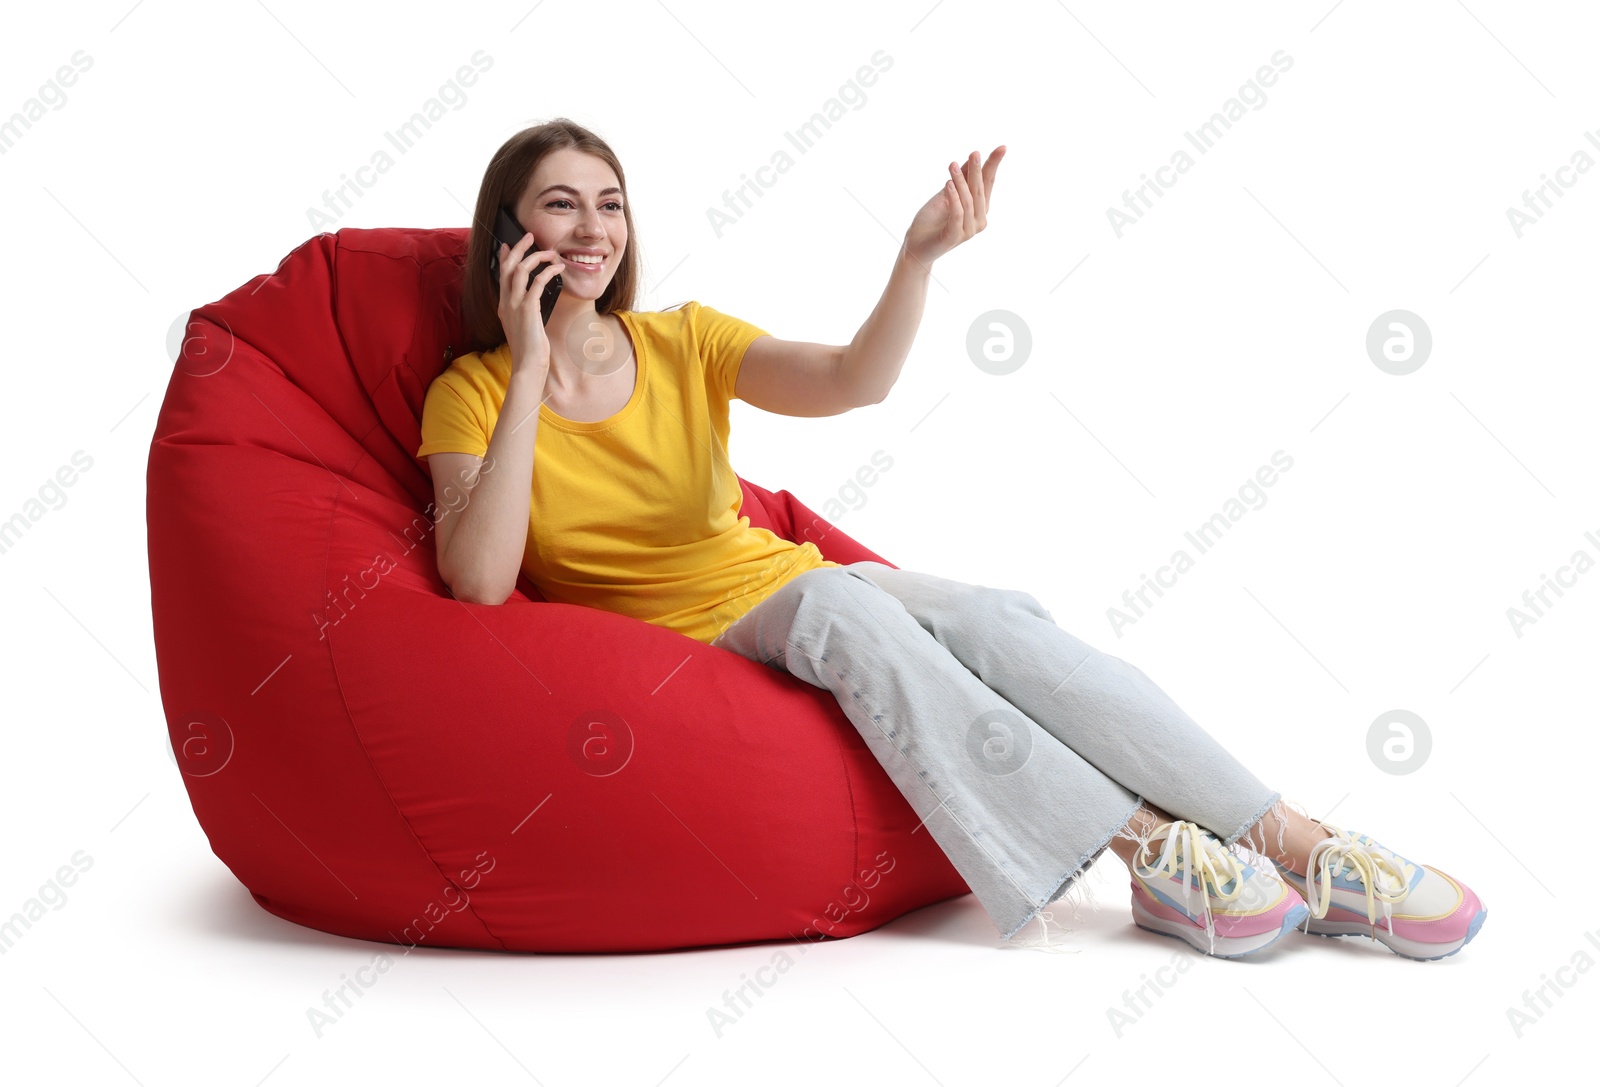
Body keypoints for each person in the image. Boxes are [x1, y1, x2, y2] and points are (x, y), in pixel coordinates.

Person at [415, 118, 1486, 959]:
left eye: (611, 204)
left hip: (781, 582)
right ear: (509, 234)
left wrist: (916, 260)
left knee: (987, 615)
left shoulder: (680, 337)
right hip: (682, 639)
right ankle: (1151, 851)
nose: (596, 229)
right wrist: (521, 366)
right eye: (561, 206)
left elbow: (850, 381)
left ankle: (1303, 843)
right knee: (841, 603)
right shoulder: (468, 395)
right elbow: (478, 579)